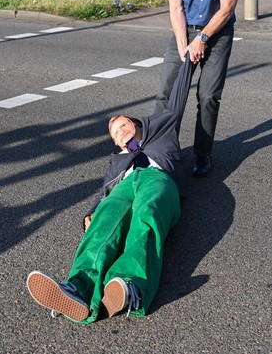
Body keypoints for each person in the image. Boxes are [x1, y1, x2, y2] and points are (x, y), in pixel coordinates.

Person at [26, 57, 197, 324]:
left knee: (146, 214)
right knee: (106, 220)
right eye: (115, 134)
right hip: (126, 184)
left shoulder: (162, 131)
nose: (120, 133)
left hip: (159, 179)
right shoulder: (117, 162)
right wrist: (92, 210)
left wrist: (188, 60)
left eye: (122, 126)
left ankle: (131, 285)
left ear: (136, 124)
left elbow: (178, 96)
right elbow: (104, 191)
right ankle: (78, 288)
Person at [153, 0, 243, 178]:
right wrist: (184, 45)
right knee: (167, 93)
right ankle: (159, 151)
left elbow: (226, 8)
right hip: (186, 29)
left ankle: (202, 154)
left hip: (218, 32)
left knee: (208, 96)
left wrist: (203, 38)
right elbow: (176, 8)